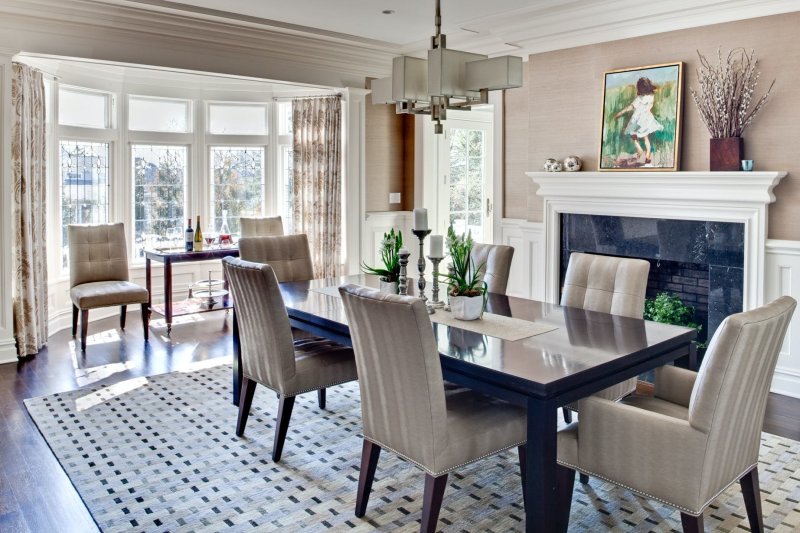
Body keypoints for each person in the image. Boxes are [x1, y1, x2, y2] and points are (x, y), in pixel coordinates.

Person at [613, 77, 663, 165]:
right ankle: (647, 155)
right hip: (647, 118)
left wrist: (621, 113)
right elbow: (649, 105)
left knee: (633, 136)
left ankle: (640, 151)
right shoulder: (651, 97)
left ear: (640, 88)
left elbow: (631, 107)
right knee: (645, 137)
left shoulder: (639, 98)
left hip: (637, 119)